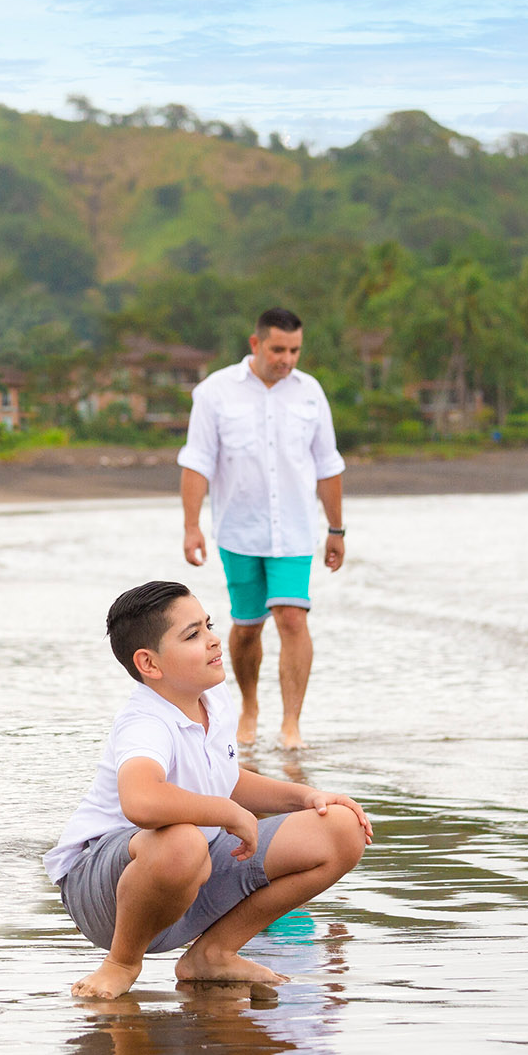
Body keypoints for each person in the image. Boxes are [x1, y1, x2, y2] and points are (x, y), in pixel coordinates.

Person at [43, 580, 370, 1000]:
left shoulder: (212, 697)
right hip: (106, 893)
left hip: (194, 876)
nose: (214, 640)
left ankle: (213, 954)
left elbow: (225, 777)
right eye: (193, 635)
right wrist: (227, 812)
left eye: (209, 625)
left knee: (341, 827)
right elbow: (141, 801)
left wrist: (305, 797)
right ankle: (121, 963)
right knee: (182, 840)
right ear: (149, 663)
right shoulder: (145, 722)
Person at [178, 306, 345, 749]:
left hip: (294, 532)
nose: (287, 359)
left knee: (292, 617)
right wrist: (192, 526)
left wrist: (337, 529)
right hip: (239, 531)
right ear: (256, 344)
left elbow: (328, 465)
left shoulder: (310, 393)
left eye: (294, 350)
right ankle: (249, 709)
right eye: (278, 350)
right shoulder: (214, 393)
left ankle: (291, 724)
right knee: (247, 625)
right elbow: (196, 462)